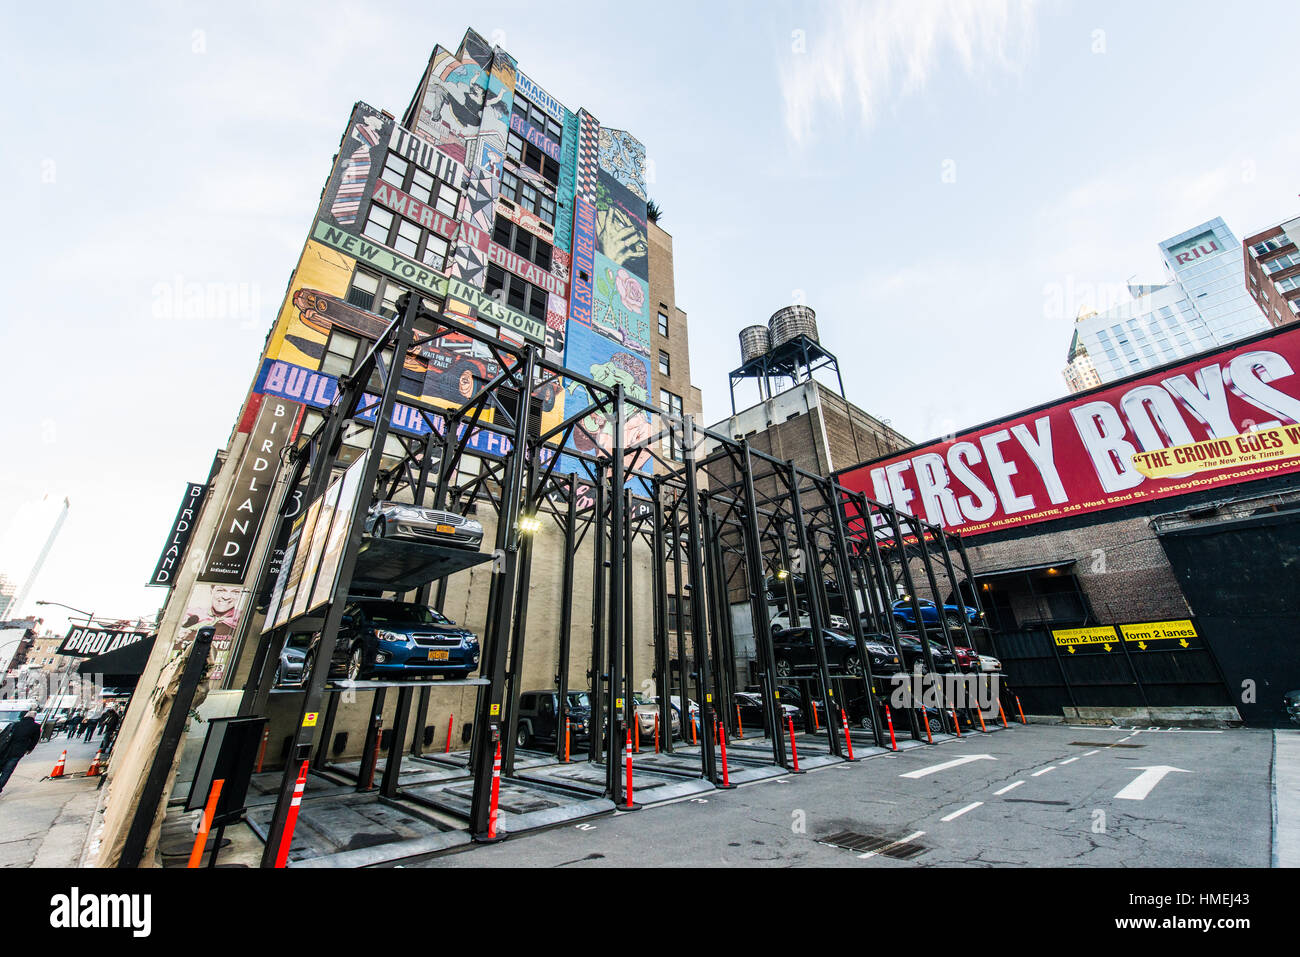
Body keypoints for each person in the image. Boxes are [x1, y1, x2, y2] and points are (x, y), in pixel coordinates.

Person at [0, 712, 42, 794]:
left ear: (25, 716)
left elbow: (2, 736)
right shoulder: (36, 727)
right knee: (7, 771)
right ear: (34, 718)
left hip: (5, 749)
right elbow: (34, 740)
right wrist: (29, 749)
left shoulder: (15, 724)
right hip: (18, 752)